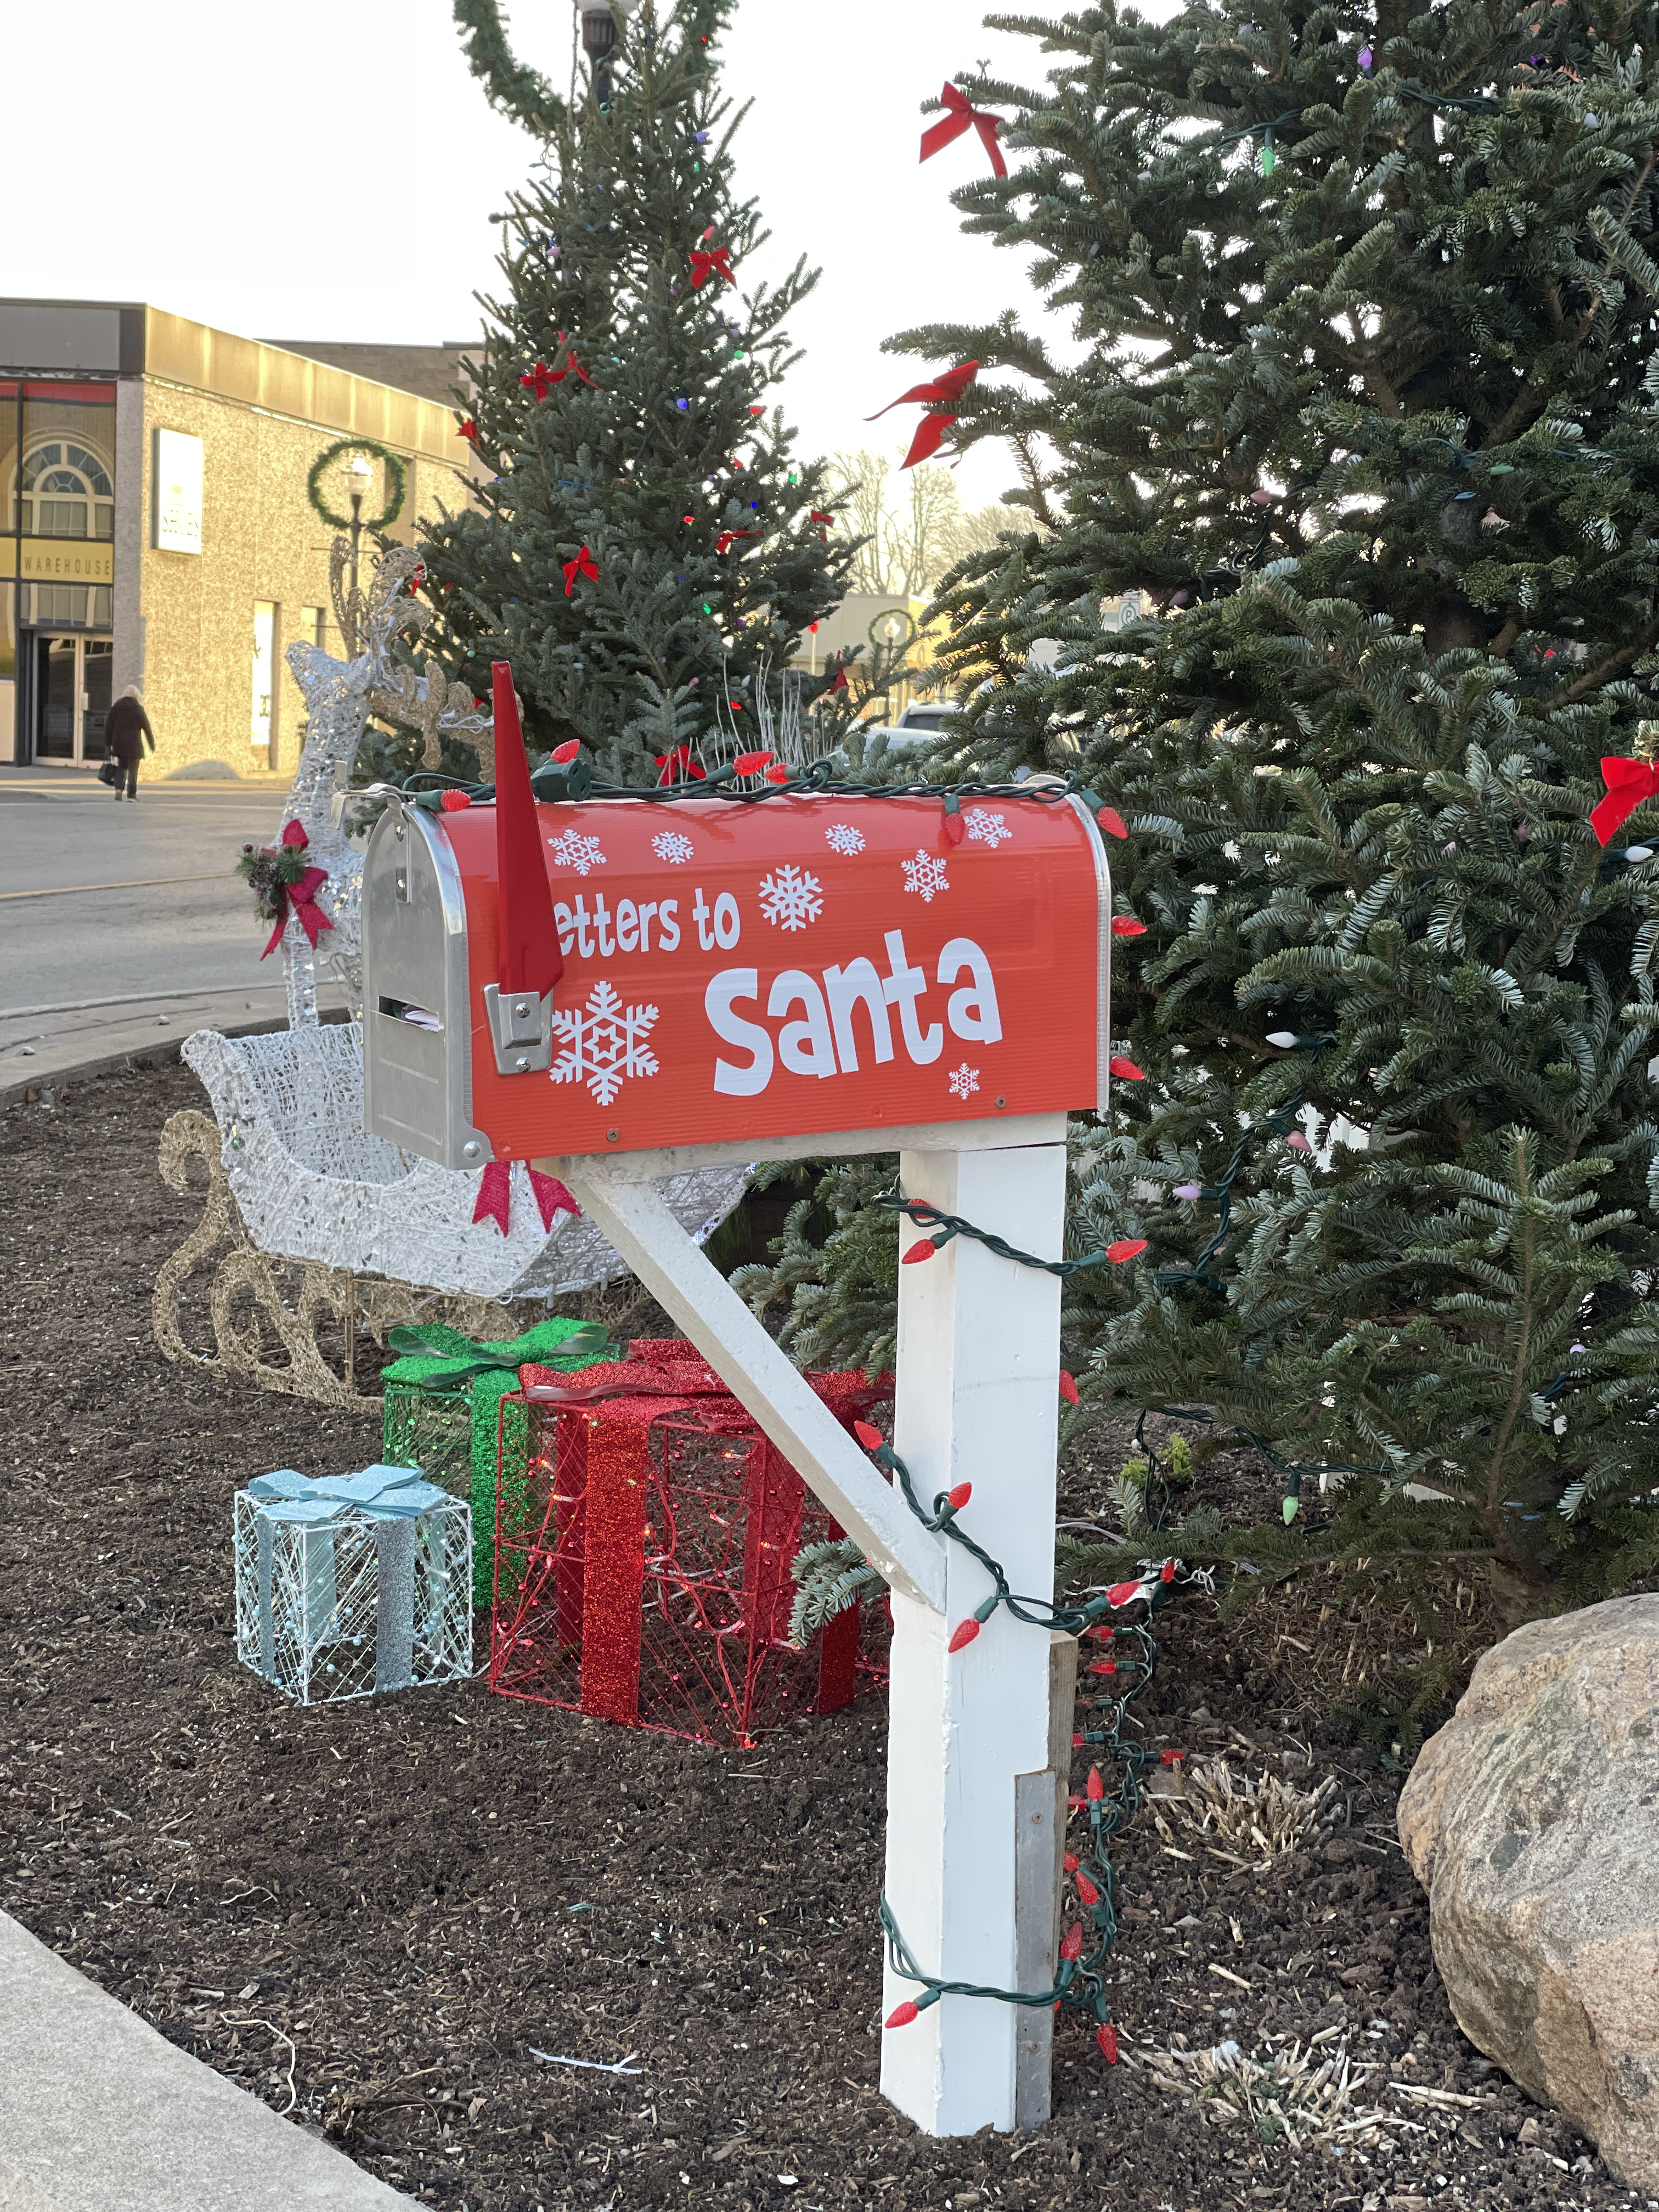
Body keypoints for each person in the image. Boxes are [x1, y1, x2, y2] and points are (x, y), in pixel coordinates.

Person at [104, 685, 155, 800]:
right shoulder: (138, 708)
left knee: (121, 766)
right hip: (134, 743)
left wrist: (108, 745)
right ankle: (131, 795)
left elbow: (109, 727)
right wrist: (152, 744)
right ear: (136, 695)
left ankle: (118, 789)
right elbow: (147, 727)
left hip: (119, 743)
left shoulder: (116, 707)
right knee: (133, 769)